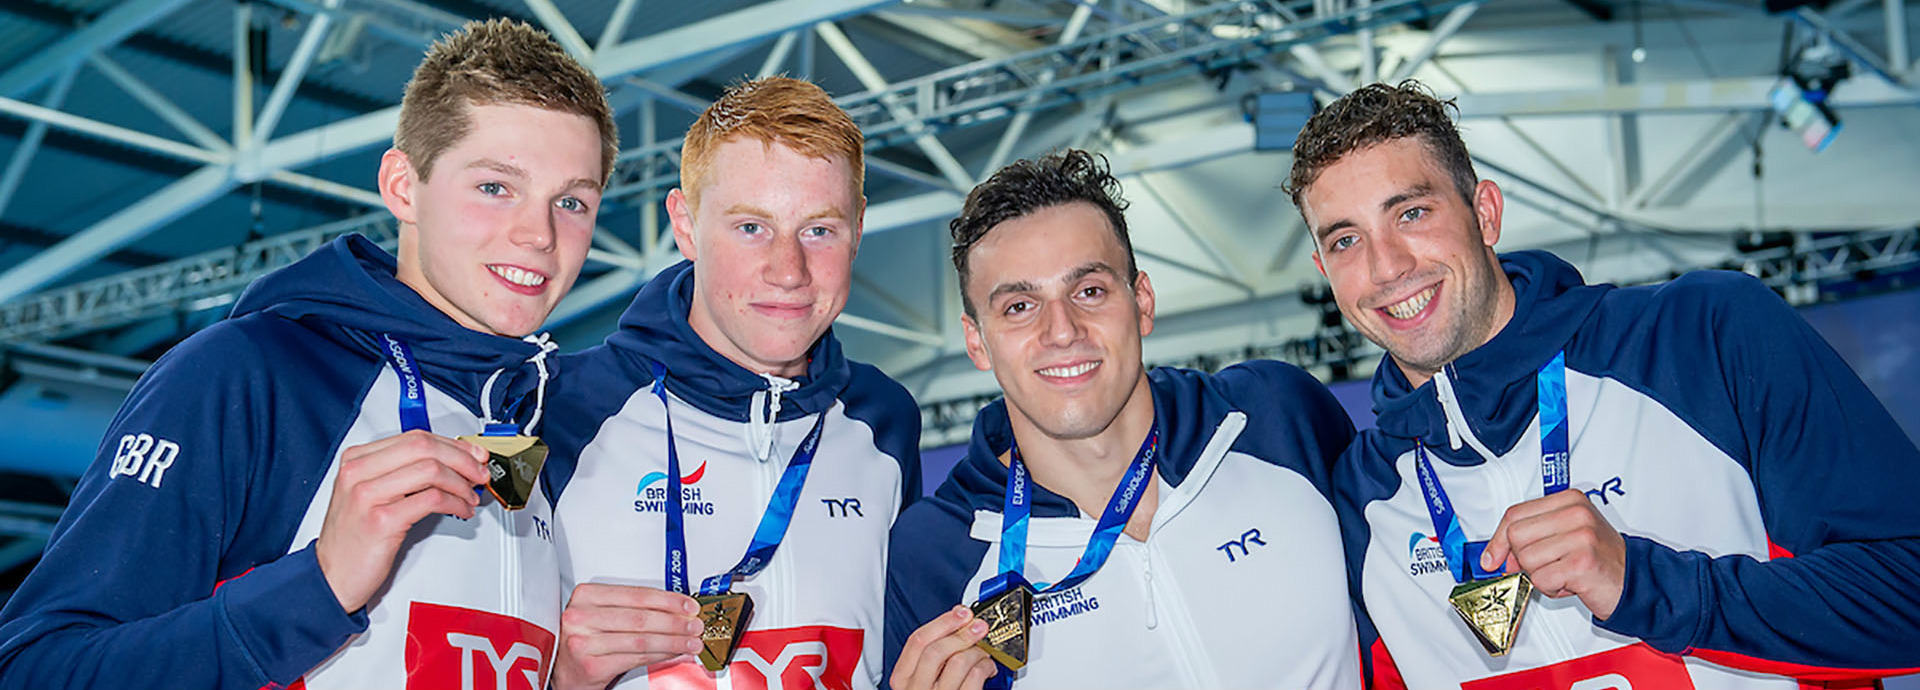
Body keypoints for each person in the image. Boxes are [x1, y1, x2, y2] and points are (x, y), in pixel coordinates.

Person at [0, 18, 615, 690]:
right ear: (403, 187)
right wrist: (318, 585)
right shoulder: (244, 376)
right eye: (495, 187)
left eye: (572, 202)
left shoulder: (559, 425)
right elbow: (36, 669)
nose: (539, 235)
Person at [1292, 81, 1920, 690]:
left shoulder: (1700, 335)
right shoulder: (1357, 502)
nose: (1387, 266)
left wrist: (1642, 583)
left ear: (1485, 213)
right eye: (1346, 240)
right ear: (1324, 270)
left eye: (1412, 212)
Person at [884, 149, 1361, 690]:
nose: (1061, 330)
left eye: (1089, 291)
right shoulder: (933, 552)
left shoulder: (1277, 417)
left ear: (1142, 302)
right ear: (977, 342)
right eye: (1019, 306)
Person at [540, 77, 922, 690]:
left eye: (819, 229)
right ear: (686, 226)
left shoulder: (884, 421)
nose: (788, 269)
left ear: (858, 227)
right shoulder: (563, 409)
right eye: (751, 227)